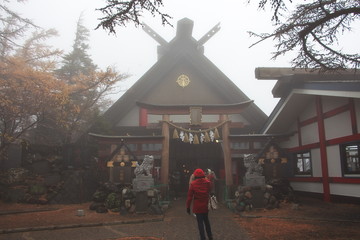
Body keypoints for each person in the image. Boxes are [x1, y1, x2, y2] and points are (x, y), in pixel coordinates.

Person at [186, 168, 213, 240]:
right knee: (206, 221)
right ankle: (210, 236)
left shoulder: (193, 184)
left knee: (200, 223)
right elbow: (210, 190)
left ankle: (202, 238)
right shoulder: (207, 182)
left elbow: (189, 197)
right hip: (205, 205)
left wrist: (188, 207)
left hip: (197, 206)